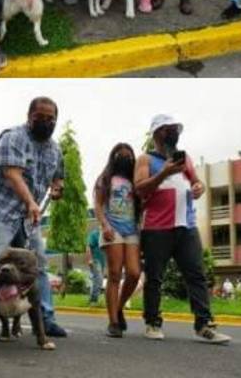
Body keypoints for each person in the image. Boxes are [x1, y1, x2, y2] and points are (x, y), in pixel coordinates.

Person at [0, 96, 67, 339]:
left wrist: (57, 187)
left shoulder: (55, 149)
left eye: (50, 119)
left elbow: (58, 175)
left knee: (38, 263)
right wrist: (31, 201)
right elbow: (12, 174)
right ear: (29, 117)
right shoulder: (14, 137)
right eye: (39, 118)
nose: (45, 122)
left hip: (25, 216)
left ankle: (46, 318)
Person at [135, 114, 231, 344]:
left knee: (196, 275)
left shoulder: (184, 157)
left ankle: (204, 325)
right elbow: (140, 189)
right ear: (157, 133)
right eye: (168, 129)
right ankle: (152, 322)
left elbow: (197, 182)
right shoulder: (145, 159)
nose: (173, 133)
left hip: (186, 226)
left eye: (175, 129)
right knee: (155, 278)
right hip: (157, 227)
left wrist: (200, 187)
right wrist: (164, 173)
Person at [94, 143, 141, 337]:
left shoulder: (134, 181)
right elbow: (97, 204)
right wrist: (104, 225)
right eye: (120, 154)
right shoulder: (105, 179)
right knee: (114, 274)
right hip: (112, 229)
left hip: (131, 230)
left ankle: (119, 307)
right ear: (113, 157)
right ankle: (113, 322)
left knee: (134, 273)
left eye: (128, 155)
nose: (124, 158)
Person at [85, 226, 105, 306]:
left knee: (97, 280)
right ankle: (93, 300)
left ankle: (93, 299)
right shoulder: (94, 234)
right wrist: (89, 259)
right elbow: (88, 247)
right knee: (98, 279)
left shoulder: (104, 235)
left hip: (102, 262)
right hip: (95, 260)